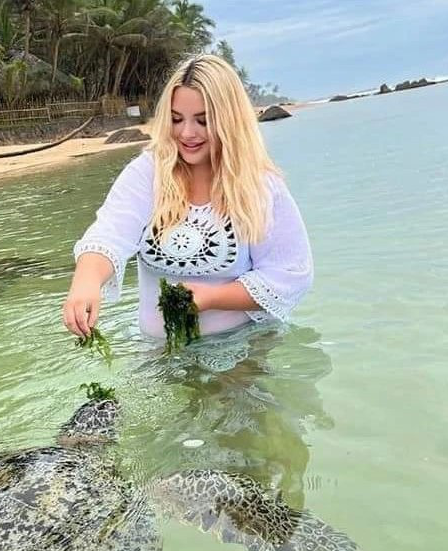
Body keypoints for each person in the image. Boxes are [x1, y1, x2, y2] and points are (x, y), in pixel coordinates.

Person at [63, 54, 313, 341]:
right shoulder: (148, 172)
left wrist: (212, 297)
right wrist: (86, 281)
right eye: (176, 119)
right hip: (159, 352)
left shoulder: (261, 185)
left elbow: (291, 274)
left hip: (243, 345)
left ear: (230, 121)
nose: (187, 133)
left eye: (202, 121)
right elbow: (110, 233)